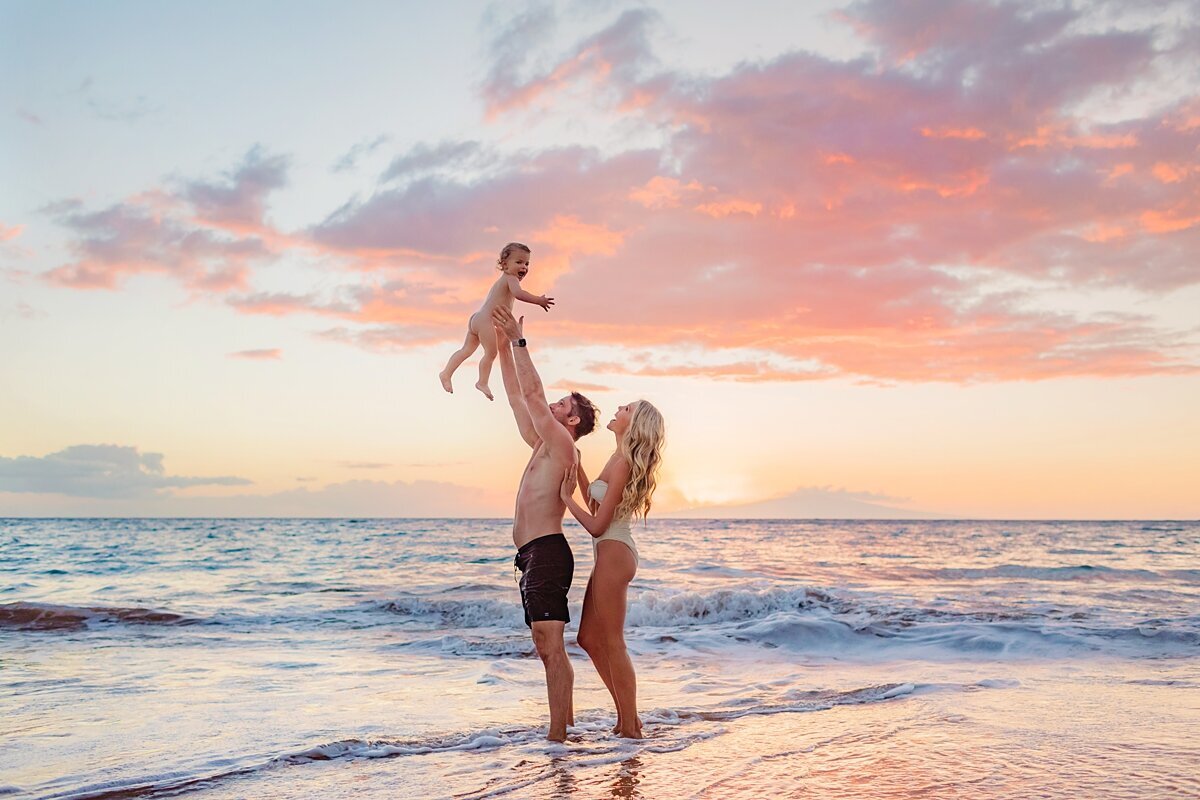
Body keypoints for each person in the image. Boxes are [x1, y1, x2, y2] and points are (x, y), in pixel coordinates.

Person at [491, 305, 600, 742]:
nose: (553, 405)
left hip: (549, 554)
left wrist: (519, 341)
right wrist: (502, 346)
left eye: (562, 404)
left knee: (550, 647)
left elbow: (534, 396)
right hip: (530, 555)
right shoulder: (542, 441)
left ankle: (558, 739)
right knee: (544, 646)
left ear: (571, 421)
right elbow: (520, 397)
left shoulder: (561, 444)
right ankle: (565, 728)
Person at [560, 400, 665, 739]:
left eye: (627, 408)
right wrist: (574, 461)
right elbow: (597, 500)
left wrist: (566, 498)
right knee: (588, 638)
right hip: (608, 553)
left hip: (614, 553)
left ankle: (630, 725)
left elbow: (595, 523)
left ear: (634, 424)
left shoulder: (622, 464)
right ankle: (625, 718)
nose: (619, 408)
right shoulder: (616, 457)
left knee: (614, 642)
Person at [439, 242, 554, 400]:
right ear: (505, 264)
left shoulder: (503, 280)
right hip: (485, 321)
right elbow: (519, 294)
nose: (524, 267)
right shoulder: (511, 279)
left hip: (478, 319)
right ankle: (482, 382)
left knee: (466, 350)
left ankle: (446, 373)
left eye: (527, 263)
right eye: (519, 262)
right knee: (491, 353)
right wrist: (538, 300)